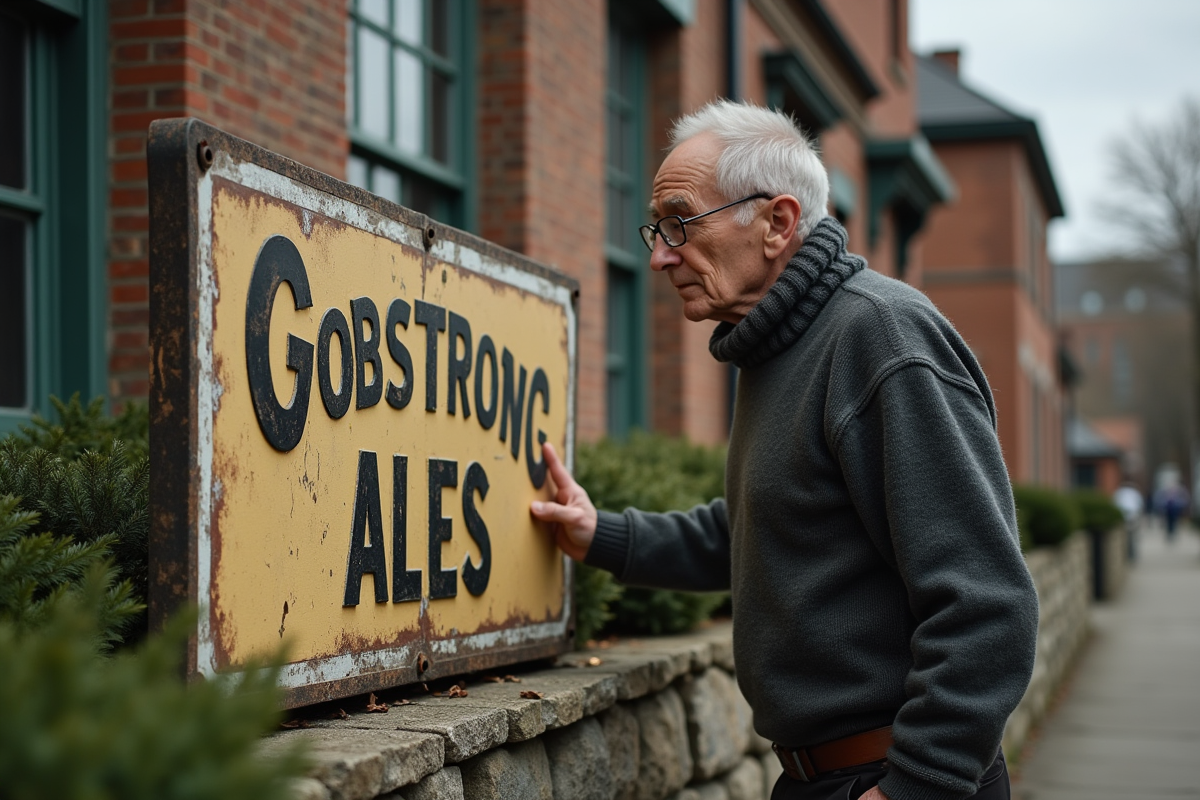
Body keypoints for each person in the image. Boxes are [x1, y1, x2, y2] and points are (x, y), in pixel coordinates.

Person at [531, 100, 1039, 800]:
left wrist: (917, 785)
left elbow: (988, 605)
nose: (658, 255)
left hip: (895, 780)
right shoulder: (780, 348)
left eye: (680, 222)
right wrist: (602, 537)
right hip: (819, 778)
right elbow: (762, 529)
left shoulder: (882, 339)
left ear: (777, 223)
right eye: (658, 228)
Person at [1112, 480, 1143, 561]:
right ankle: (1132, 554)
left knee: (1124, 537)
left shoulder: (1119, 492)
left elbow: (1114, 504)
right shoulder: (1134, 492)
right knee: (1132, 536)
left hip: (1123, 517)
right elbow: (1139, 504)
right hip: (1133, 516)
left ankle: (1126, 555)